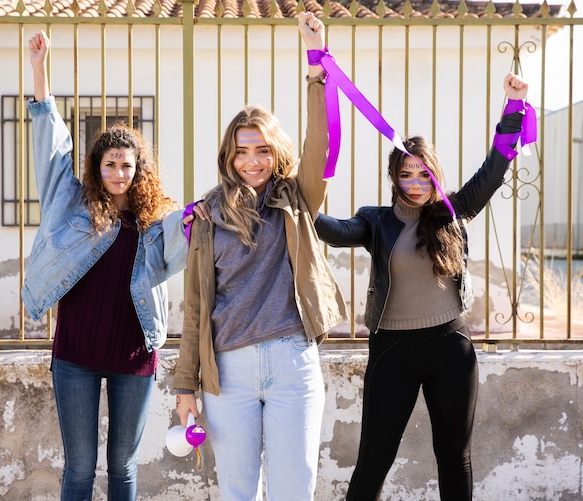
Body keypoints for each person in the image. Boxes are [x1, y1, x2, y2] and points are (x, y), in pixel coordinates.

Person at [314, 72, 530, 500]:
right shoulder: (375, 221)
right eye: (406, 174)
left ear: (434, 176)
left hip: (451, 348)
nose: (415, 183)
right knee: (374, 458)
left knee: (454, 456)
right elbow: (334, 230)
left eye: (423, 174)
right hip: (393, 351)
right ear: (394, 176)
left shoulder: (453, 212)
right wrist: (295, 204)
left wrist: (513, 108)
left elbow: (495, 168)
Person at [172, 12, 347, 501]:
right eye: (242, 151)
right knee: (238, 492)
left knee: (295, 490)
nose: (252, 161)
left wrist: (317, 62)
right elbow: (195, 307)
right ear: (229, 154)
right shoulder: (206, 215)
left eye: (262, 150)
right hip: (229, 373)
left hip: (293, 361)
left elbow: (323, 143)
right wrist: (186, 385)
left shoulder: (297, 198)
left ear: (276, 153)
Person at [22, 31, 190, 500]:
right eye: (110, 164)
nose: (119, 173)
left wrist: (209, 213)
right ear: (97, 166)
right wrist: (40, 70)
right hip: (74, 355)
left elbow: (185, 239)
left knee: (123, 467)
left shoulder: (153, 220)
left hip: (133, 357)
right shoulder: (71, 203)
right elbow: (51, 145)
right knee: (79, 468)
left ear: (140, 170)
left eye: (127, 166)